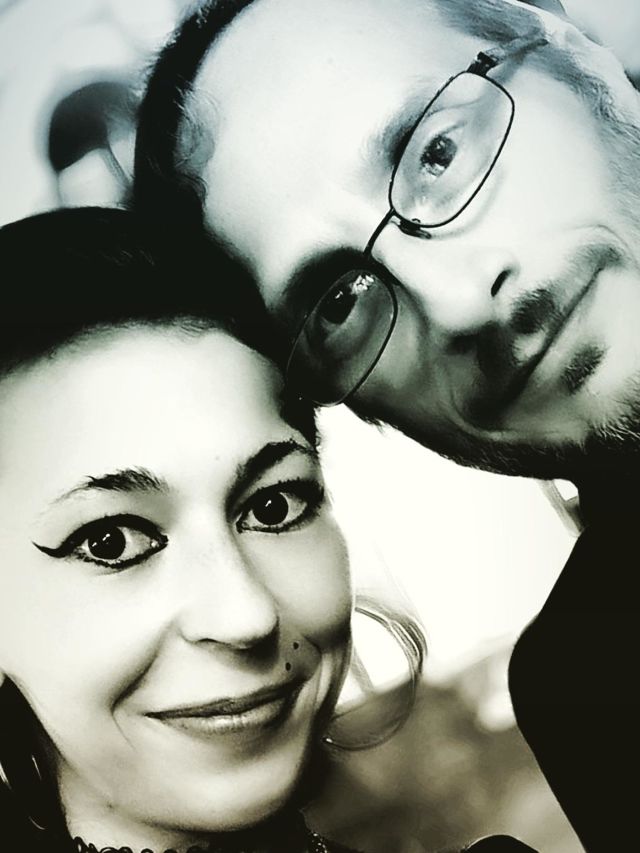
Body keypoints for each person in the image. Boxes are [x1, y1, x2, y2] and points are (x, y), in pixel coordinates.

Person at [131, 0, 640, 850]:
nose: (456, 302)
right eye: (340, 303)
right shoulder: (591, 688)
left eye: (436, 152)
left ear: (573, 48)